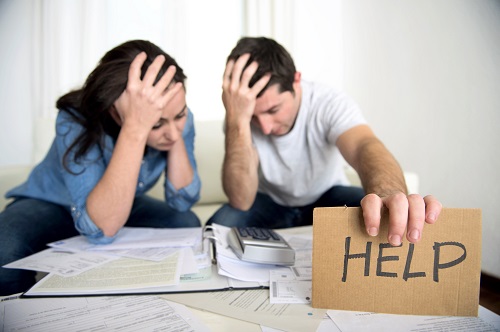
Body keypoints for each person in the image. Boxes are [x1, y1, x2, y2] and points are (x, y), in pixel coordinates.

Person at [0, 40, 201, 295]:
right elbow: (100, 230)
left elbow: (183, 201)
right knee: (3, 250)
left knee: (186, 222)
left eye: (181, 115)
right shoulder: (75, 119)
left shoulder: (175, 118)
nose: (173, 133)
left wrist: (171, 120)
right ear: (115, 112)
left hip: (122, 202)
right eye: (157, 124)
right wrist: (136, 127)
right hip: (52, 203)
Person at [208, 36, 442, 246]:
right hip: (270, 202)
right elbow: (241, 200)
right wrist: (238, 120)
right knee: (218, 226)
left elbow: (364, 147)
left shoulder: (327, 102)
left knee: (381, 212)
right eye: (254, 117)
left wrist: (387, 191)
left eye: (273, 109)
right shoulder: (237, 116)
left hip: (326, 197)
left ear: (296, 81)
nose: (266, 128)